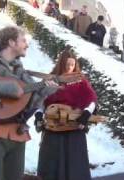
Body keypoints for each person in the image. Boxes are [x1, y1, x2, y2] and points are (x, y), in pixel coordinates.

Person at [0, 26, 57, 180]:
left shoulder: (22, 74)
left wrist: (44, 92)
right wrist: (2, 88)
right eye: (23, 40)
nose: (27, 44)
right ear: (11, 42)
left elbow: (27, 106)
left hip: (18, 133)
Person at [36, 47, 97, 180]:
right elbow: (40, 100)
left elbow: (91, 99)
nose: (70, 67)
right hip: (53, 128)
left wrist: (86, 114)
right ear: (61, 63)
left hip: (74, 128)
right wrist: (39, 115)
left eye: (72, 64)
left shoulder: (80, 80)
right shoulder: (51, 79)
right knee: (52, 166)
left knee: (75, 167)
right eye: (67, 64)